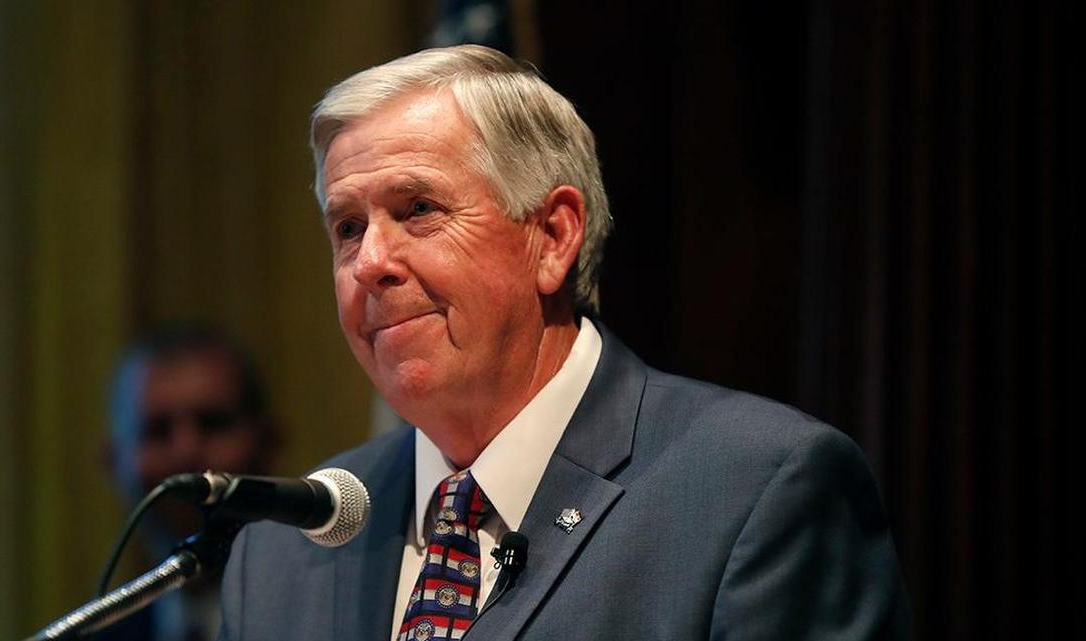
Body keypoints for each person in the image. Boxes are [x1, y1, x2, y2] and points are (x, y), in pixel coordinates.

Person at [218, 45, 910, 640]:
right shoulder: (280, 552)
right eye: (346, 228)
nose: (370, 261)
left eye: (418, 209)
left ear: (551, 237)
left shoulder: (756, 491)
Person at [97, 324, 277, 641]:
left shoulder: (328, 618)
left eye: (213, 423)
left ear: (267, 442)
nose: (186, 452)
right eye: (157, 430)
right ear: (115, 462)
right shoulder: (98, 634)